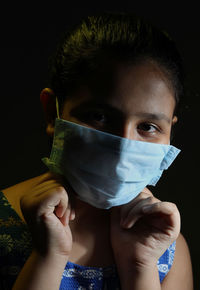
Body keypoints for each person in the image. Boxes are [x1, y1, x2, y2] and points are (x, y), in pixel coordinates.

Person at [0, 12, 193, 290]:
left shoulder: (166, 251)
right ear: (52, 113)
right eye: (100, 116)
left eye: (148, 126)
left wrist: (140, 267)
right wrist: (48, 256)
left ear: (170, 131)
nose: (123, 146)